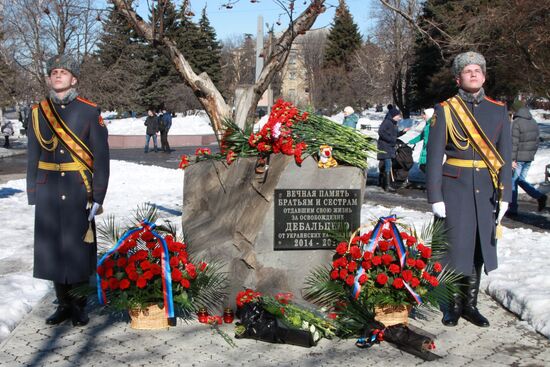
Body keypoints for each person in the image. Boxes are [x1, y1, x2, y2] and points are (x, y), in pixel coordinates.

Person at [426, 51, 512, 328]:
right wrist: (435, 196)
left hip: (486, 190)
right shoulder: (446, 110)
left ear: (484, 75)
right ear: (458, 78)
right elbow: (435, 156)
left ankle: (470, 305)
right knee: (454, 247)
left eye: (478, 70)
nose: (473, 74)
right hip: (455, 189)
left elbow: (505, 157)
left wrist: (506, 195)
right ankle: (451, 304)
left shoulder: (498, 110)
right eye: (467, 71)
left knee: (478, 249)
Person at [26, 54, 110, 327]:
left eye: (63, 71)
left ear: (74, 79)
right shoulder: (38, 112)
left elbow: (101, 158)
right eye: (53, 71)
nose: (57, 75)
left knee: (76, 248)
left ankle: (78, 304)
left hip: (78, 189)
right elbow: (32, 154)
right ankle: (62, 303)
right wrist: (32, 191)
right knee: (52, 249)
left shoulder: (89, 111)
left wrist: (98, 196)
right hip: (48, 189)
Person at [508, 106, 547, 215]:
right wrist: (531, 155)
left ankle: (513, 208)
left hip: (518, 158)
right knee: (520, 179)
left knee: (513, 181)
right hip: (528, 158)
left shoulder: (516, 123)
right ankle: (539, 196)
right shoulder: (534, 122)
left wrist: (512, 159)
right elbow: (537, 141)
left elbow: (513, 143)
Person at [377, 107, 402, 192]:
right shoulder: (387, 122)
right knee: (387, 164)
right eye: (398, 115)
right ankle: (387, 186)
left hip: (389, 146)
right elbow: (381, 132)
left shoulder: (393, 123)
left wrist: (403, 132)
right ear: (394, 115)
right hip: (385, 146)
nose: (399, 117)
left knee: (385, 164)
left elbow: (394, 135)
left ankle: (382, 182)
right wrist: (390, 140)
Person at [407, 108, 435, 173]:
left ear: (429, 115)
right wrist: (411, 141)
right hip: (425, 149)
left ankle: (431, 182)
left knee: (427, 168)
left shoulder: (433, 125)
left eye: (424, 115)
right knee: (423, 166)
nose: (423, 116)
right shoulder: (427, 124)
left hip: (430, 150)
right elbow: (421, 136)